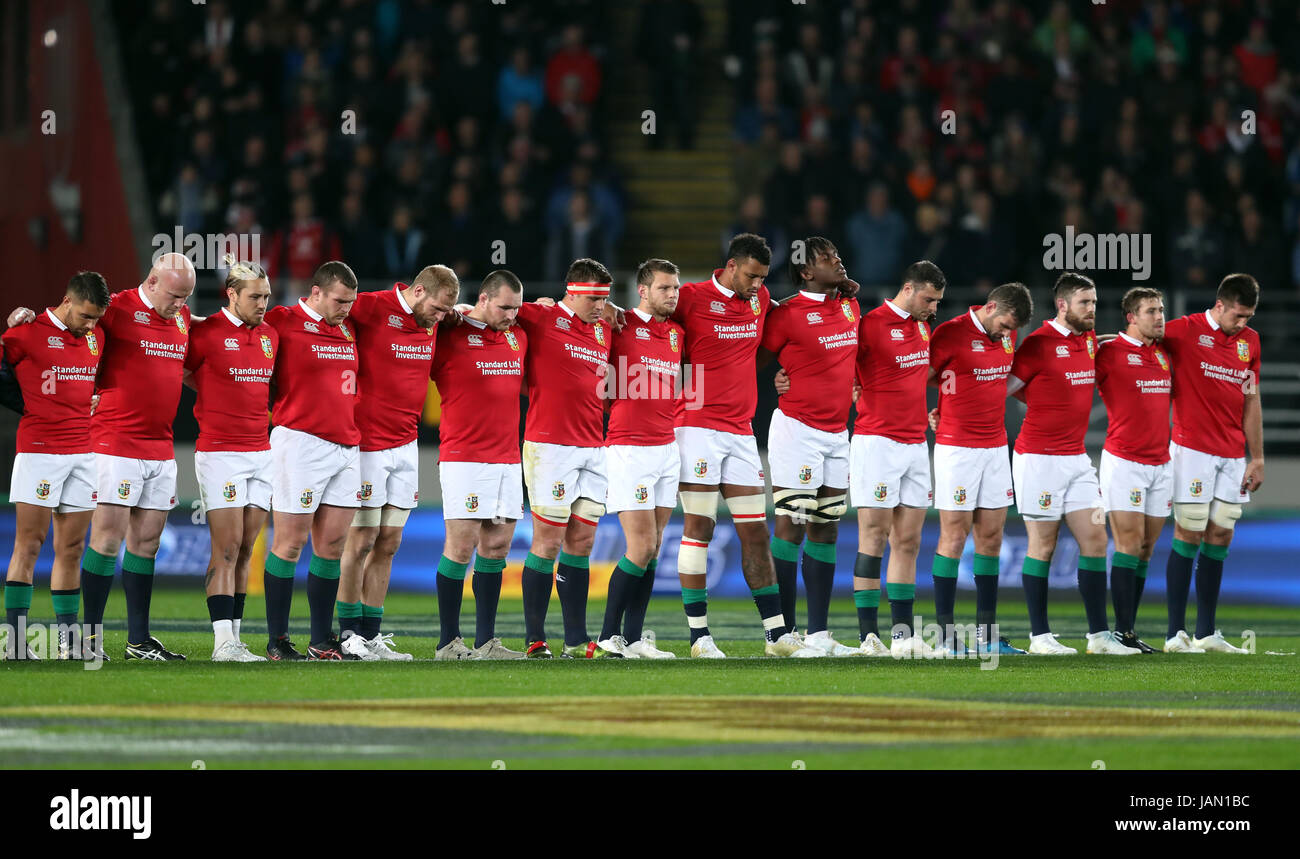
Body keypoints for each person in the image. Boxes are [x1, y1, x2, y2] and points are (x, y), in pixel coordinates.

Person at [671, 233, 820, 658]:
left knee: (756, 531)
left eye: (763, 279)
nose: (757, 285)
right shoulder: (691, 298)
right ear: (732, 266)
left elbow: (783, 326)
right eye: (751, 277)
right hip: (696, 428)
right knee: (700, 529)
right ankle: (699, 638)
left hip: (740, 432)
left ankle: (776, 635)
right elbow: (649, 322)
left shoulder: (761, 299)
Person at [1009, 272, 1139, 655]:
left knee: (1097, 539)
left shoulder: (1087, 342)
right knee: (1043, 544)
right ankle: (1040, 637)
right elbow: (1002, 389)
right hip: (1038, 460)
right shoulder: (1037, 345)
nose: (1092, 310)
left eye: (1095, 303)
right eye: (1085, 303)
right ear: (1063, 305)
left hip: (1077, 461)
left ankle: (1099, 637)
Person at [336, 267, 459, 660]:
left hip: (406, 448)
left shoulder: (435, 318)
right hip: (366, 445)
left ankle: (371, 635)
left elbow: (473, 313)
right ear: (418, 290)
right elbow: (321, 312)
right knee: (361, 541)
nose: (439, 318)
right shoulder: (370, 307)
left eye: (446, 312)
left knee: (388, 544)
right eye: (437, 309)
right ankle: (347, 633)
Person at [83, 253, 196, 661]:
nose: (179, 304)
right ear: (151, 281)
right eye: (174, 296)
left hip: (160, 447)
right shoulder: (115, 309)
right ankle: (88, 639)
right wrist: (27, 319)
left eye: (186, 297)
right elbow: (70, 325)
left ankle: (138, 640)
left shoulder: (182, 319)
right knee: (107, 539)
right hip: (115, 441)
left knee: (146, 543)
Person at [760, 237, 860, 657]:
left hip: (838, 433)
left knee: (827, 527)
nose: (838, 261)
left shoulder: (852, 306)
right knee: (793, 523)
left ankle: (818, 634)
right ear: (805, 271)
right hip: (797, 431)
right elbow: (750, 360)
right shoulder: (784, 314)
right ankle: (780, 635)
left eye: (838, 254)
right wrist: (774, 381)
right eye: (826, 258)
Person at [1, 273, 108, 659]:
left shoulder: (96, 337)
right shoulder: (27, 332)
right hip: (40, 452)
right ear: (66, 301)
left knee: (73, 548)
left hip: (84, 452)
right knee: (30, 544)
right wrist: (27, 404)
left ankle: (67, 641)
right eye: (85, 317)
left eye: (96, 319)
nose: (90, 326)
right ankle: (15, 642)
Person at [513, 259, 616, 658]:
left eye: (604, 298)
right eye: (593, 298)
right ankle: (535, 638)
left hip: (593, 447)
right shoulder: (539, 316)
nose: (599, 306)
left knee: (583, 540)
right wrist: (466, 310)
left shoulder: (604, 327)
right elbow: (497, 309)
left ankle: (575, 639)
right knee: (548, 539)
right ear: (571, 291)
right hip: (550, 446)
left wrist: (613, 311)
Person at [926, 282, 1034, 656]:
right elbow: (916, 377)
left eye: (1011, 330)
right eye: (1003, 325)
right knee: (953, 537)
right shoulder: (950, 334)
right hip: (957, 449)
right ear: (989, 307)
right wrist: (926, 412)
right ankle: (945, 637)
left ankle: (988, 637)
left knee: (991, 538)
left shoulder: (1007, 334)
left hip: (994, 448)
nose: (1007, 334)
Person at [262, 261, 361, 660]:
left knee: (333, 545)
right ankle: (277, 639)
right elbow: (234, 328)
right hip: (299, 443)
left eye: (351, 302)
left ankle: (321, 639)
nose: (346, 309)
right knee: (290, 543)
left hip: (346, 446)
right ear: (315, 292)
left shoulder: (350, 327)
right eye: (339, 301)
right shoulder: (282, 321)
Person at [1158, 274, 1263, 653]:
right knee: (1188, 532)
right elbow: (1134, 339)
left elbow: (1251, 398)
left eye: (1249, 316)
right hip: (1192, 451)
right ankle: (1174, 634)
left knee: (1220, 536)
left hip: (1234, 455)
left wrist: (1259, 456)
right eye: (1238, 315)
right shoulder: (1184, 331)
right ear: (1219, 305)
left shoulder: (1249, 341)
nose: (1243, 323)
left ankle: (1206, 633)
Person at [428, 270, 529, 660]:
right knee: (461, 545)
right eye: (505, 307)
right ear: (483, 300)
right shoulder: (449, 331)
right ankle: (447, 642)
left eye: (517, 308)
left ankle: (486, 642)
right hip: (464, 457)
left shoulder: (518, 335)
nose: (511, 315)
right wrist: (452, 313)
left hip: (507, 457)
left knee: (497, 547)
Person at [850, 260, 945, 658]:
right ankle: (868, 636)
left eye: (939, 301)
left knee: (907, 541)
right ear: (908, 288)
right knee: (873, 536)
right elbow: (837, 365)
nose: (934, 308)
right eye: (929, 299)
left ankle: (904, 635)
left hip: (914, 445)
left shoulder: (923, 329)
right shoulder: (869, 325)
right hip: (876, 443)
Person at [183, 257, 277, 661]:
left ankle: (236, 639)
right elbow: (179, 370)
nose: (263, 303)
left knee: (247, 548)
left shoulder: (272, 334)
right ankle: (222, 642)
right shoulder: (204, 333)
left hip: (262, 452)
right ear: (232, 294)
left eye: (267, 296)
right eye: (255, 296)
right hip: (221, 453)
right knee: (226, 546)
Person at [595, 258, 685, 659]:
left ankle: (633, 640)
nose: (672, 295)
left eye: (676, 288)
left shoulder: (677, 334)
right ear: (643, 290)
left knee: (655, 546)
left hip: (668, 447)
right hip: (628, 447)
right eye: (664, 288)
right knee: (641, 545)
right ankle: (607, 635)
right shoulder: (619, 325)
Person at [1095, 287, 1171, 654]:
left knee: (1146, 548)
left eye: (1161, 310)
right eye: (1151, 311)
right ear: (1131, 316)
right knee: (1127, 544)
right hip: (1125, 462)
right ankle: (1121, 633)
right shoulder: (1107, 353)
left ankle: (1129, 631)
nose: (1159, 317)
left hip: (1162, 464)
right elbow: (1064, 375)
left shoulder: (1164, 353)